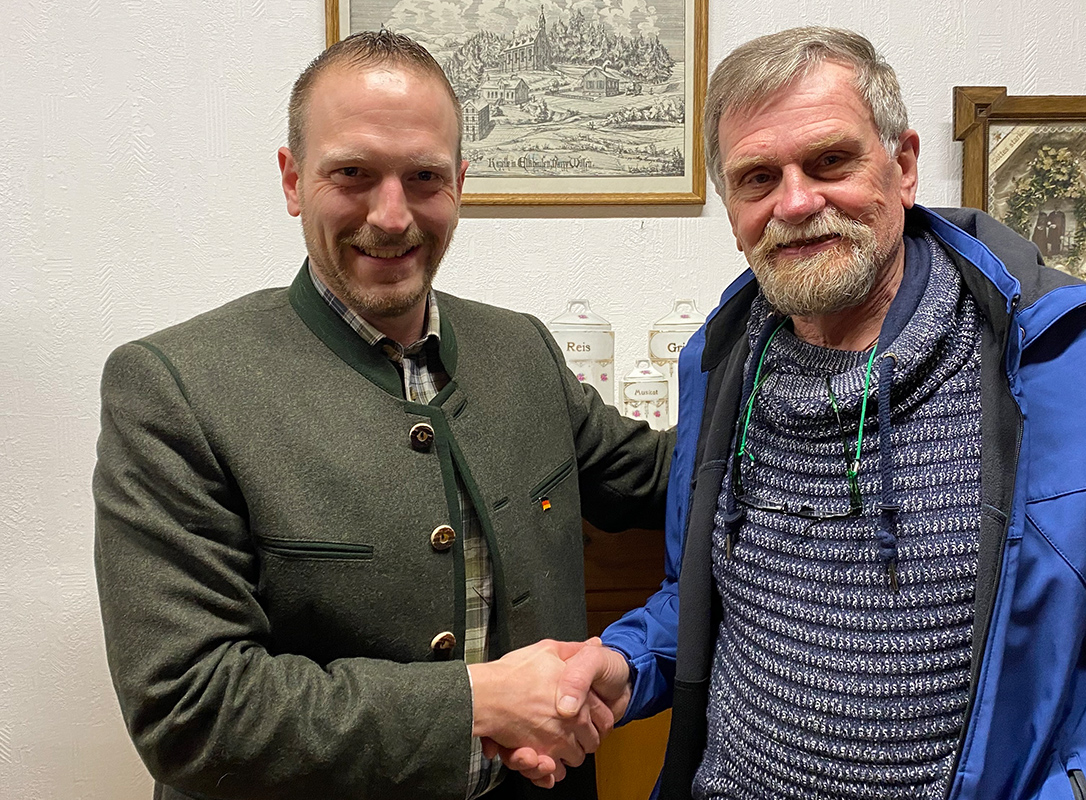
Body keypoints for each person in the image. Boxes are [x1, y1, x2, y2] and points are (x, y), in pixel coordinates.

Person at [527, 25, 1086, 800]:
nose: (797, 202)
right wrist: (625, 666)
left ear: (903, 166)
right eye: (757, 178)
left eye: (831, 161)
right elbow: (708, 604)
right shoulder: (717, 362)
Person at [93, 31, 671, 800]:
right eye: (354, 174)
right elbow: (189, 709)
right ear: (294, 180)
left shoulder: (522, 348)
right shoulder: (174, 388)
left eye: (425, 177)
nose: (393, 215)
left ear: (460, 184)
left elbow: (664, 477)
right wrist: (478, 702)